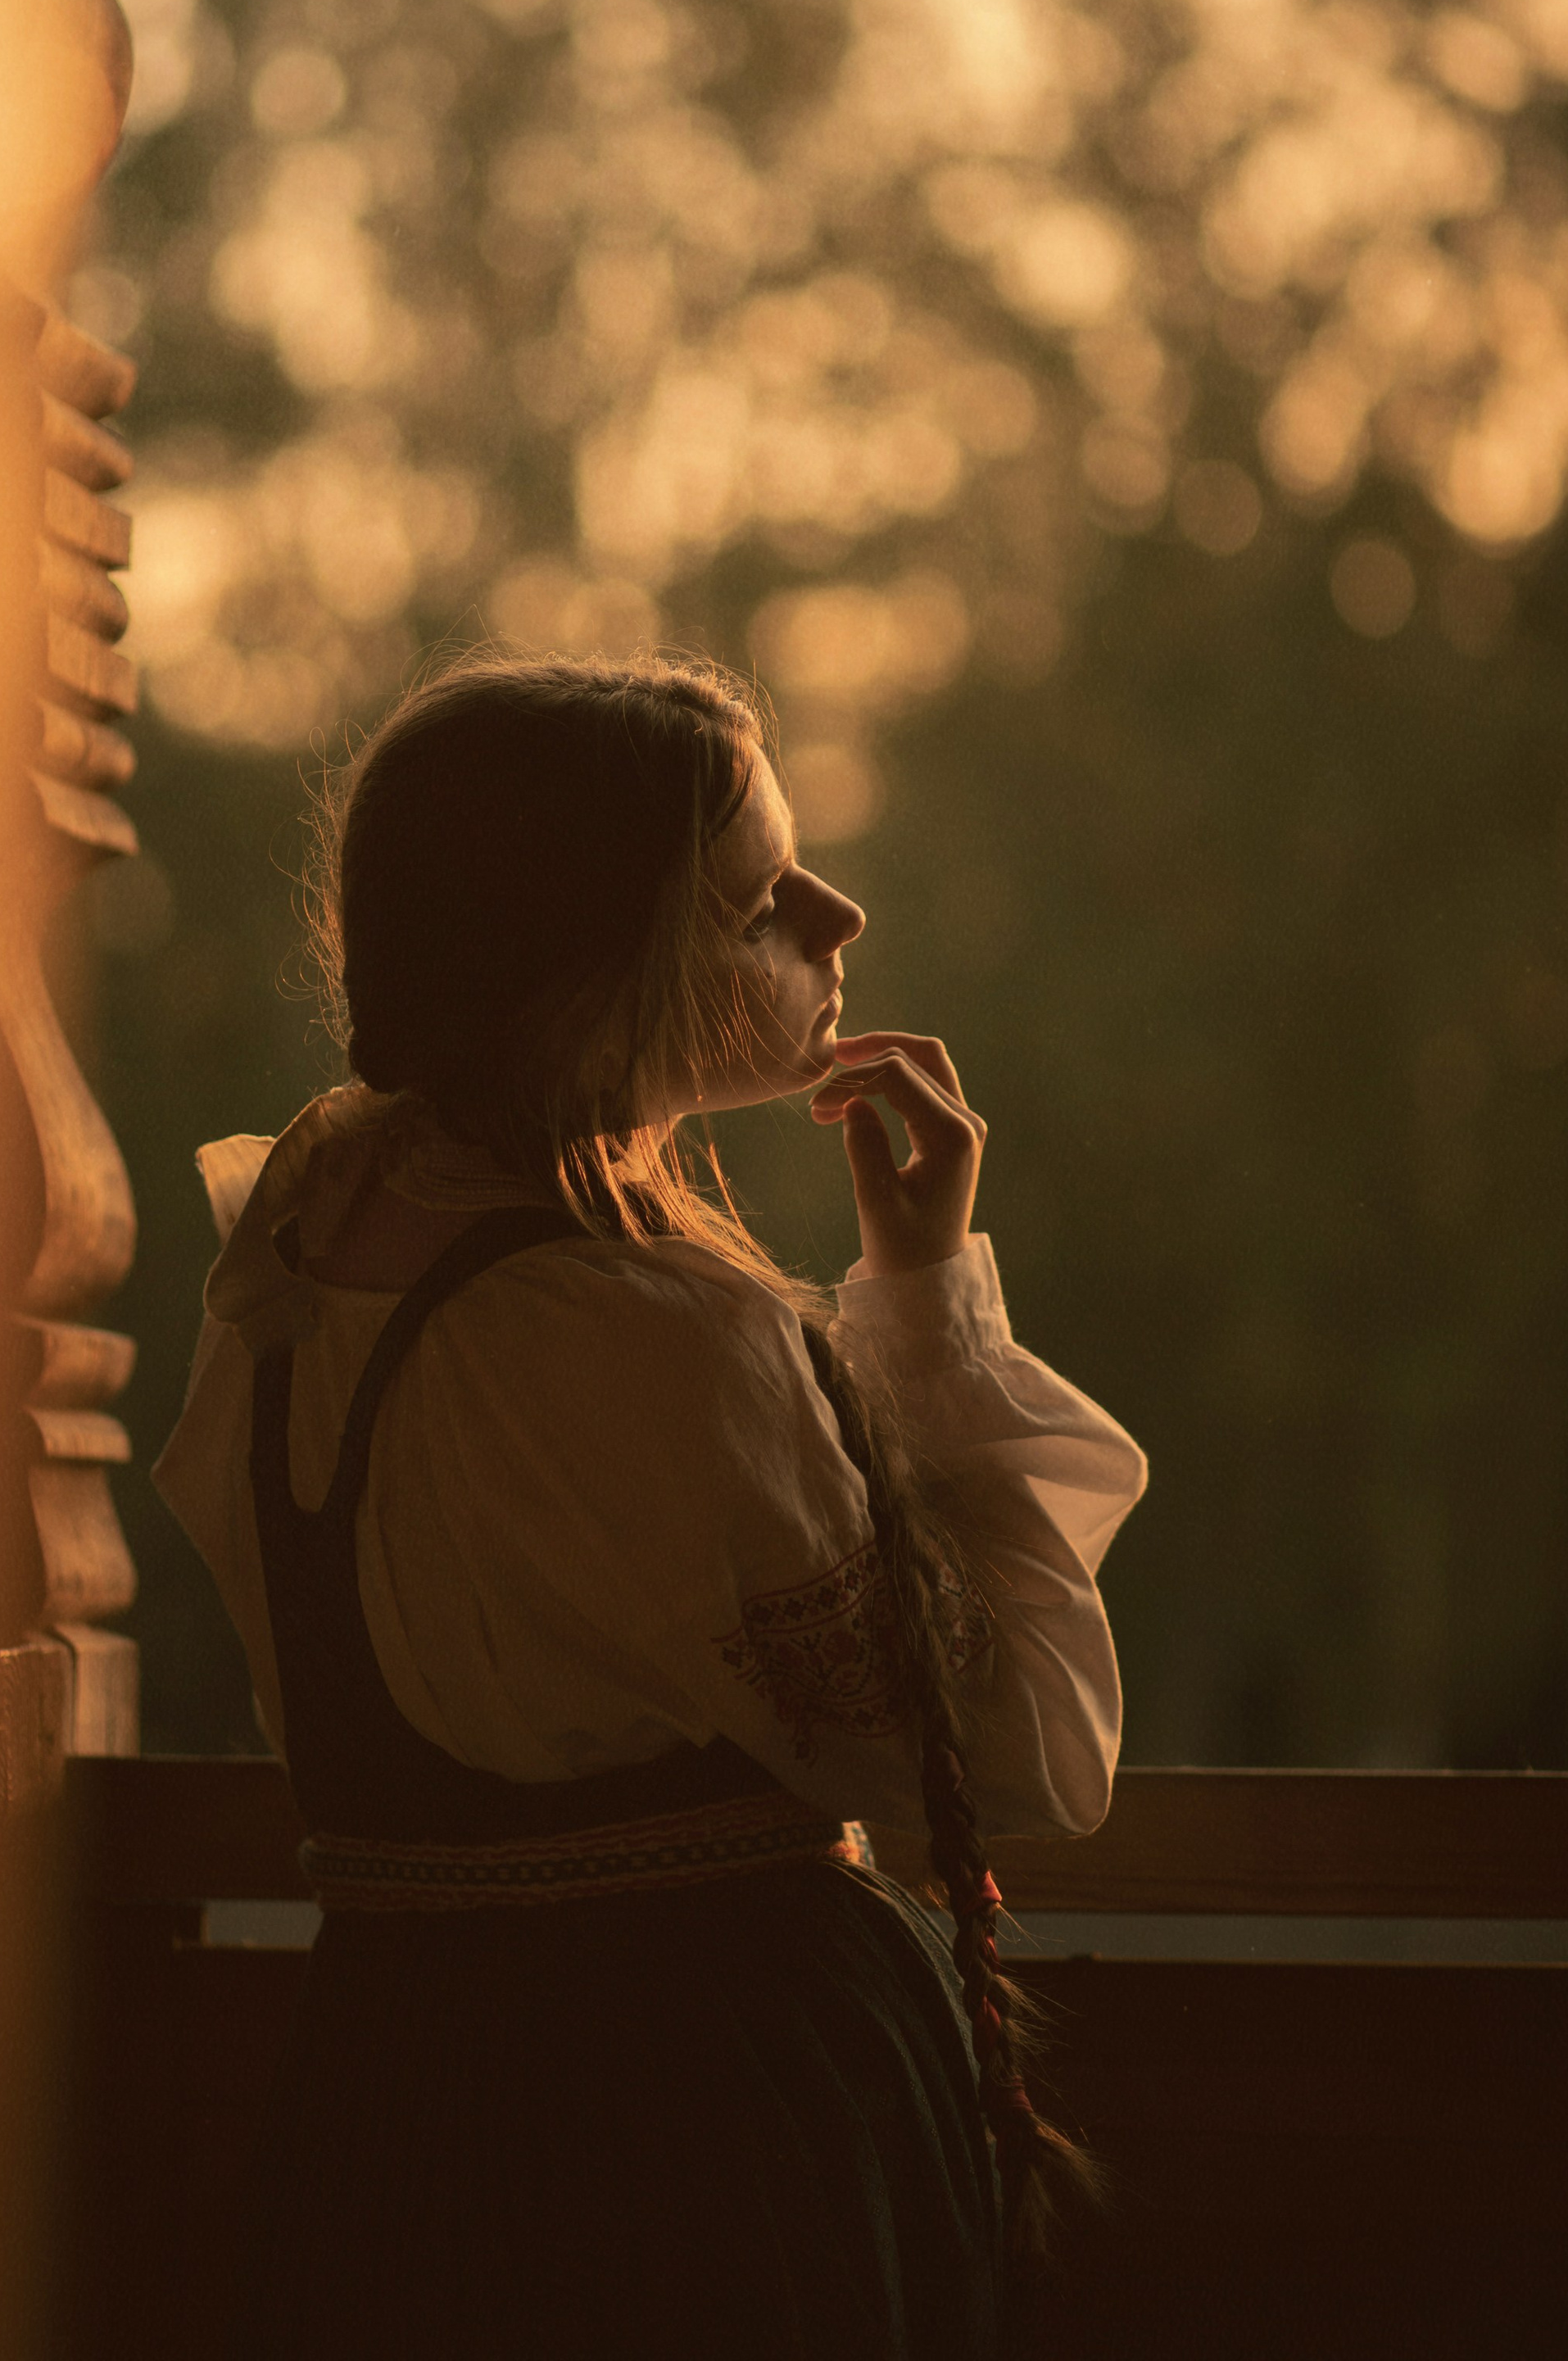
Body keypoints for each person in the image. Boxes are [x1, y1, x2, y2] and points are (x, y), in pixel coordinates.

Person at [155, 650, 1147, 2360]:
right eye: (760, 899)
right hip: (681, 2131)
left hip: (397, 2100)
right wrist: (921, 1308)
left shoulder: (304, 1241)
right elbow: (1014, 1755)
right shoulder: (643, 1340)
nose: (835, 920)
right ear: (600, 961)